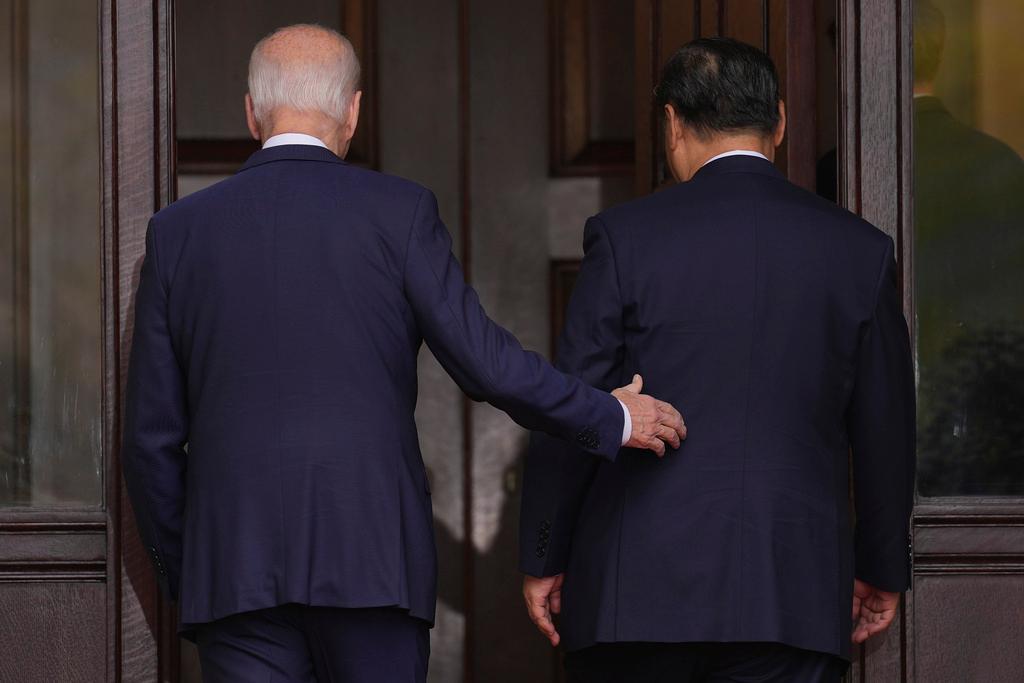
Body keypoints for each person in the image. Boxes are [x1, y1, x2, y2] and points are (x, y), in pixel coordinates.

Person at [122, 24, 685, 683]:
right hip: (375, 567)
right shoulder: (400, 213)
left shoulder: (177, 234)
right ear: (353, 111)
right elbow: (487, 364)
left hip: (235, 579)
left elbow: (149, 442)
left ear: (251, 110)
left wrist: (193, 572)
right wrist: (610, 414)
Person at [519, 37, 915, 682]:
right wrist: (879, 569)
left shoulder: (623, 239)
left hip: (634, 599)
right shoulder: (860, 252)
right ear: (780, 120)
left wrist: (544, 552)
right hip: (793, 597)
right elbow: (884, 433)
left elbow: (573, 405)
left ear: (671, 122)